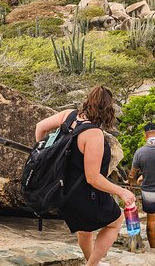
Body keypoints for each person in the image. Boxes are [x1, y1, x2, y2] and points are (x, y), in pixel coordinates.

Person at [35, 86, 134, 266]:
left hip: (63, 190)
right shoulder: (94, 135)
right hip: (84, 194)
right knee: (116, 221)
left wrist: (44, 154)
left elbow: (40, 127)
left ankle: (91, 260)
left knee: (84, 230)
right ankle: (92, 264)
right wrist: (122, 192)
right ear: (108, 109)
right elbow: (93, 178)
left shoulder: (69, 115)